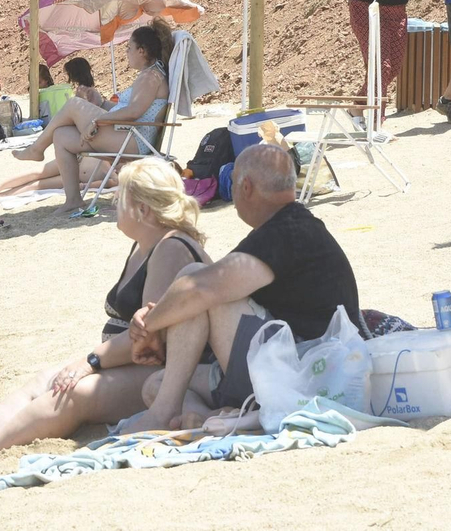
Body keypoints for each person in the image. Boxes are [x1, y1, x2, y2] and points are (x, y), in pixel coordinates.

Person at [0, 160, 210, 477]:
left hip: (171, 374)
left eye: (121, 197)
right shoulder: (146, 244)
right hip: (136, 366)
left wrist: (90, 362)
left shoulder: (170, 248)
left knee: (71, 393)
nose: (114, 203)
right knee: (45, 380)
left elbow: (146, 337)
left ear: (142, 210)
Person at [121, 143, 363, 432]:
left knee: (196, 282)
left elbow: (199, 288)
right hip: (294, 367)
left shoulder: (286, 232)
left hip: (306, 373)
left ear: (245, 187)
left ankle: (164, 414)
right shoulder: (295, 227)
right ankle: (205, 416)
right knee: (157, 384)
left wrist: (149, 325)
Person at [12, 21, 172, 213]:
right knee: (61, 135)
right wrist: (103, 103)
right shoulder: (149, 75)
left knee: (74, 104)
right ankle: (73, 200)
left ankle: (36, 149)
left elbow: (134, 112)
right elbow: (129, 109)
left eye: (129, 48)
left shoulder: (151, 76)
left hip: (134, 139)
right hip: (126, 134)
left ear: (142, 51)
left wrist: (98, 120)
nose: (126, 52)